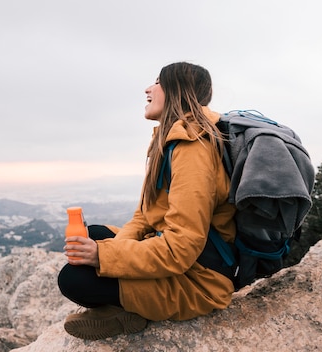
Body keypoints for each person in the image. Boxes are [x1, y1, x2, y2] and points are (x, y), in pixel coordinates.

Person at [57, 62, 237, 340]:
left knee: (74, 279)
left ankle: (126, 311)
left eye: (157, 82)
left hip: (200, 280)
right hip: (182, 262)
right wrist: (108, 254)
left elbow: (181, 249)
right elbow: (144, 216)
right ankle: (126, 307)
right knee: (93, 236)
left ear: (177, 90)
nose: (148, 89)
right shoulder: (170, 141)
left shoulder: (193, 149)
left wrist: (103, 257)